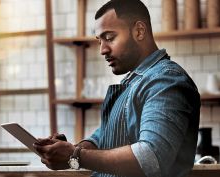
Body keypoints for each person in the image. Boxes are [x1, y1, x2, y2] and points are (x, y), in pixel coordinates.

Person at [33, 0, 200, 177]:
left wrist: (75, 156)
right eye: (99, 41)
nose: (102, 50)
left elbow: (151, 157)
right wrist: (68, 150)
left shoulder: (166, 80)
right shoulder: (134, 81)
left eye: (110, 38)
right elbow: (102, 139)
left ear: (139, 31)